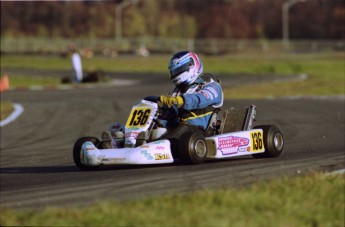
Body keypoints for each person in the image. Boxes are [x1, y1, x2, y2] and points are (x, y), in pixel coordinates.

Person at [102, 51, 223, 148]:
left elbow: (200, 99)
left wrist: (180, 101)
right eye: (174, 72)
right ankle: (122, 141)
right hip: (176, 126)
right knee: (154, 125)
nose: (176, 74)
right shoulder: (178, 91)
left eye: (178, 71)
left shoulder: (211, 86)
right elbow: (171, 112)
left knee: (181, 129)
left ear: (191, 66)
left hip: (196, 130)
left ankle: (145, 145)